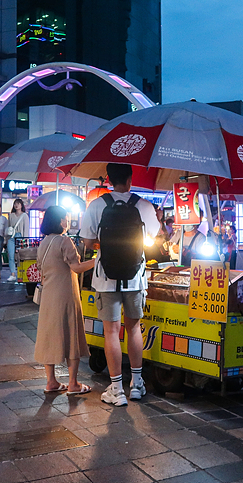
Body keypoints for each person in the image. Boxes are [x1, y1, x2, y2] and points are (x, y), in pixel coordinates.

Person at [80, 163, 160, 406]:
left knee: (111, 332)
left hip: (106, 279)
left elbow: (87, 240)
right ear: (130, 179)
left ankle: (116, 389)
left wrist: (103, 244)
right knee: (134, 328)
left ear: (107, 179)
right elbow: (151, 238)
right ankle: (136, 384)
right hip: (135, 277)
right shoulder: (144, 206)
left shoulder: (96, 205)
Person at [34, 206, 96, 394]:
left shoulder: (43, 243)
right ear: (60, 221)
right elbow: (76, 268)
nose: (67, 221)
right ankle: (73, 384)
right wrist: (97, 260)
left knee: (48, 335)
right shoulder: (64, 241)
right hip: (66, 294)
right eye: (66, 218)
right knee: (72, 335)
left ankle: (51, 381)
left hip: (48, 296)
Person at [6, 198, 28, 282]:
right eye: (15, 203)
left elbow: (26, 229)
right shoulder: (11, 215)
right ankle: (12, 274)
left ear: (21, 205)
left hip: (20, 236)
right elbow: (8, 227)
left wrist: (25, 240)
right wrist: (7, 238)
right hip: (11, 236)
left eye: (18, 203)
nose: (16, 205)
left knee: (20, 256)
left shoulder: (24, 216)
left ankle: (20, 273)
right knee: (11, 255)